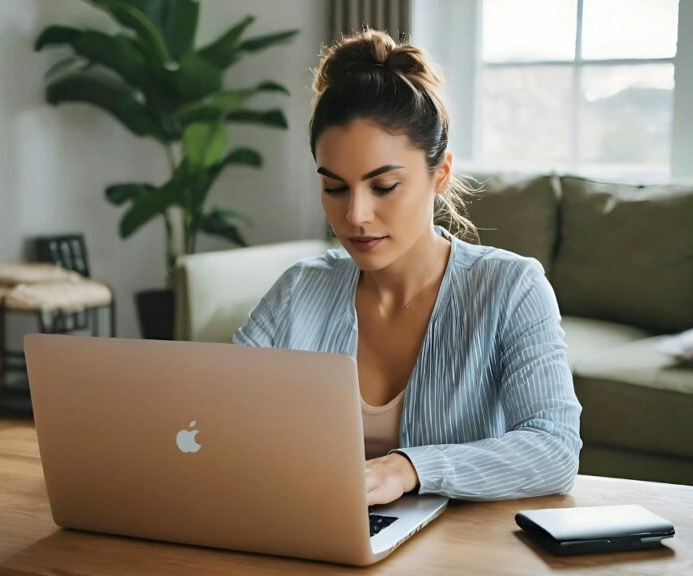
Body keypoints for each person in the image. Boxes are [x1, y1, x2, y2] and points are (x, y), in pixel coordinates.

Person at [233, 28, 582, 506]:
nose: (354, 215)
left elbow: (554, 448)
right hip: (314, 536)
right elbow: (220, 414)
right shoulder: (299, 289)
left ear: (440, 174)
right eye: (335, 188)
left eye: (384, 186)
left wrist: (410, 468)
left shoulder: (511, 287)